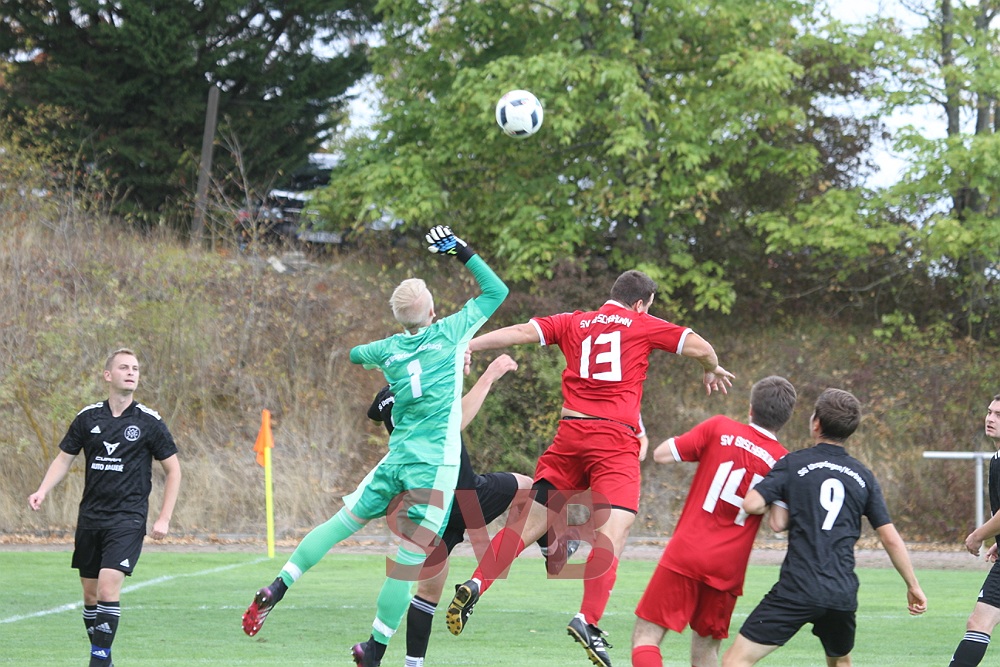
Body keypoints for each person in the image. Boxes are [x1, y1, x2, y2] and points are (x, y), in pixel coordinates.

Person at [242, 225, 508, 667]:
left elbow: (355, 354)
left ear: (400, 320)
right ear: (433, 310)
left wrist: (389, 352)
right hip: (433, 470)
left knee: (340, 523)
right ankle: (374, 648)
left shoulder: (388, 350)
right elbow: (496, 291)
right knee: (407, 562)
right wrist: (459, 250)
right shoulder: (451, 333)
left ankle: (279, 585)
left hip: (395, 461)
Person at [446, 269, 735, 667]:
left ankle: (477, 582)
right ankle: (588, 619)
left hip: (570, 435)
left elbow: (519, 331)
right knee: (613, 531)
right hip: (614, 441)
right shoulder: (642, 323)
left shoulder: (574, 321)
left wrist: (468, 344)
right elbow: (700, 345)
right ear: (640, 304)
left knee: (528, 524)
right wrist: (710, 367)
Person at [721, 388, 927, 667]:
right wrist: (913, 585)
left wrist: (784, 500)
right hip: (841, 591)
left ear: (816, 423)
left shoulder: (793, 463)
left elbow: (752, 504)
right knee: (840, 662)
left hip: (797, 588)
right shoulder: (863, 476)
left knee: (734, 661)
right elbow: (890, 538)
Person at [28, 348, 182, 667]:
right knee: (91, 596)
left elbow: (174, 470)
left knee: (108, 587)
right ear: (108, 375)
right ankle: (106, 660)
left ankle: (97, 663)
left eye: (135, 368)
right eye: (124, 367)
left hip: (128, 519)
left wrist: (164, 518)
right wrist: (42, 489)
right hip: (90, 518)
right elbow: (64, 458)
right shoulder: (88, 418)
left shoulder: (149, 422)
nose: (131, 372)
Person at [632, 376, 797, 667]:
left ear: (751, 408)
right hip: (727, 569)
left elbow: (661, 455)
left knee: (646, 638)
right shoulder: (783, 461)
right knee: (706, 653)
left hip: (688, 551)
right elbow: (778, 522)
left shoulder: (719, 427)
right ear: (785, 419)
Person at [946, 393, 1000, 667]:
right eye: (990, 412)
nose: (990, 419)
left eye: (999, 415)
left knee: (979, 623)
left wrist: (978, 535)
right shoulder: (997, 458)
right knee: (979, 623)